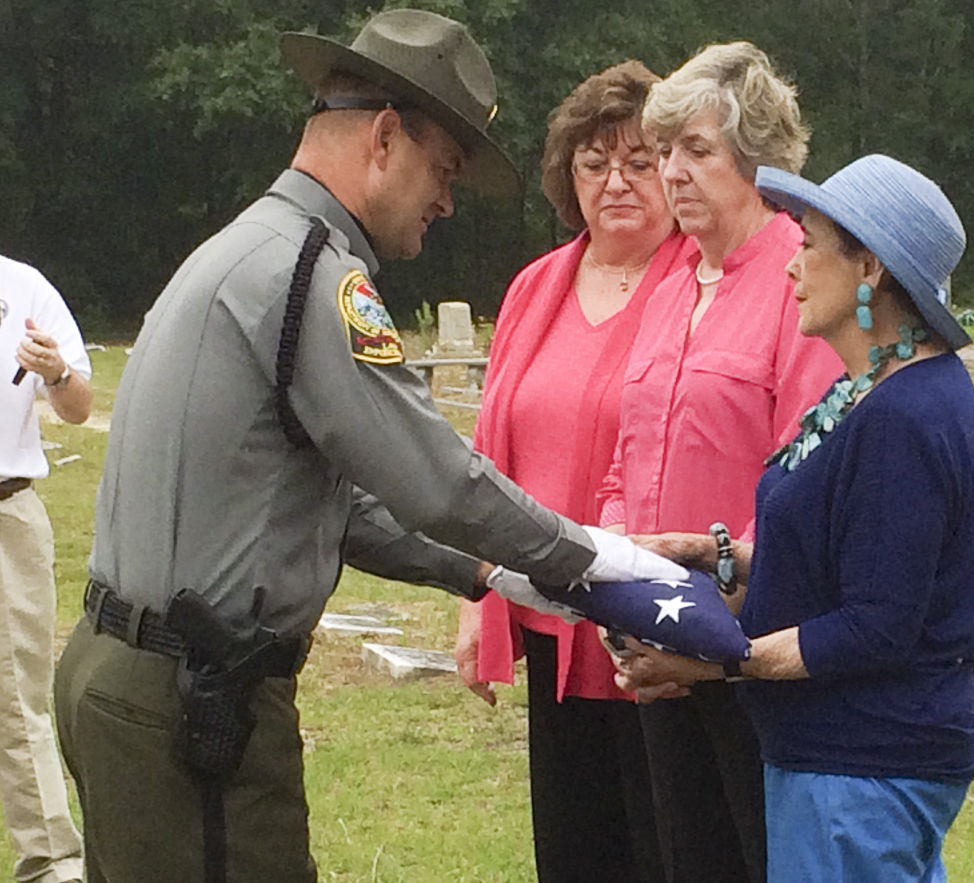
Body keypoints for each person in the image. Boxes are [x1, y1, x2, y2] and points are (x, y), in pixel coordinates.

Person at [51, 11, 685, 883]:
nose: (447, 201)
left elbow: (324, 503)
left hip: (123, 673)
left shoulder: (242, 250)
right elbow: (438, 481)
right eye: (444, 169)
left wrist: (489, 574)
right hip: (195, 694)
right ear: (384, 138)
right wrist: (597, 562)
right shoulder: (315, 276)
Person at [616, 154, 974, 882]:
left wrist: (710, 663)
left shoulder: (906, 415)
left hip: (862, 767)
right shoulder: (865, 391)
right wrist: (710, 552)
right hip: (837, 761)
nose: (791, 266)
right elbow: (843, 551)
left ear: (870, 270)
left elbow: (874, 624)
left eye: (810, 243)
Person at [594, 43, 841, 883]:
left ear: (757, 156)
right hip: (660, 640)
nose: (671, 171)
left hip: (755, 643)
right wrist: (619, 582)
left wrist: (709, 616)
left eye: (695, 150)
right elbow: (625, 459)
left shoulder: (799, 278)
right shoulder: (667, 289)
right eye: (665, 152)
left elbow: (805, 478)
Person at [453, 61, 694, 881]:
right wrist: (475, 594)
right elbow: (488, 452)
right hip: (550, 609)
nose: (616, 181)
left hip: (659, 614)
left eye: (636, 160)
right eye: (594, 164)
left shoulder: (699, 282)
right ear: (569, 176)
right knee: (575, 844)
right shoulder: (535, 287)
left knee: (666, 842)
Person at [0, 255, 91, 883]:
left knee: (16, 700)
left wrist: (55, 370)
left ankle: (52, 864)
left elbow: (80, 406)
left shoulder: (23, 286)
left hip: (6, 515)